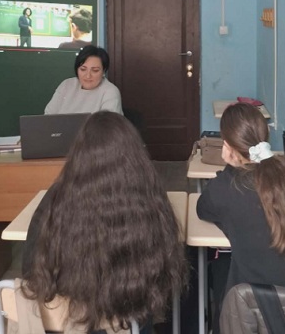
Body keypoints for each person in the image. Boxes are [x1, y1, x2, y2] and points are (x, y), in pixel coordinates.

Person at [21, 111, 188, 333]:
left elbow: (30, 268)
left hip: (68, 325)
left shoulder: (56, 199)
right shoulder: (149, 199)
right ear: (135, 156)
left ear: (79, 155)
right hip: (127, 322)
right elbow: (163, 271)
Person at [197, 102, 285, 333]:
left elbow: (203, 208)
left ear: (228, 146)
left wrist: (231, 169)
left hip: (256, 318)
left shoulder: (226, 189)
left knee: (221, 269)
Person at [45, 45, 123, 115]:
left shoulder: (110, 92)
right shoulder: (66, 85)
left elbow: (108, 124)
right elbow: (48, 116)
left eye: (95, 70)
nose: (88, 76)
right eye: (83, 69)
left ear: (103, 71)